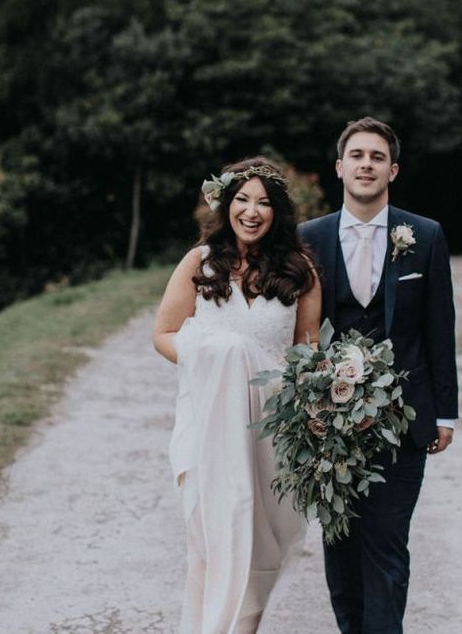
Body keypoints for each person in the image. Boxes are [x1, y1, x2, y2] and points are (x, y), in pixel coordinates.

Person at [298, 117, 458, 634]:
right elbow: (293, 327)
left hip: (403, 421)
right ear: (340, 167)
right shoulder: (309, 238)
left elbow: (440, 327)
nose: (367, 164)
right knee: (340, 548)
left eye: (377, 157)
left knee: (387, 546)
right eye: (357, 155)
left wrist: (445, 412)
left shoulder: (425, 235)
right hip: (329, 423)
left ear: (393, 169)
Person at [153, 157, 322, 634]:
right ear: (227, 205)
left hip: (269, 433)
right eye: (243, 200)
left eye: (264, 203)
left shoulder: (300, 271)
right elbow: (164, 334)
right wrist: (214, 354)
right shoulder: (199, 262)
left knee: (255, 546)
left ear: (278, 213)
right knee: (211, 541)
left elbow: (308, 353)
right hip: (208, 425)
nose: (252, 212)